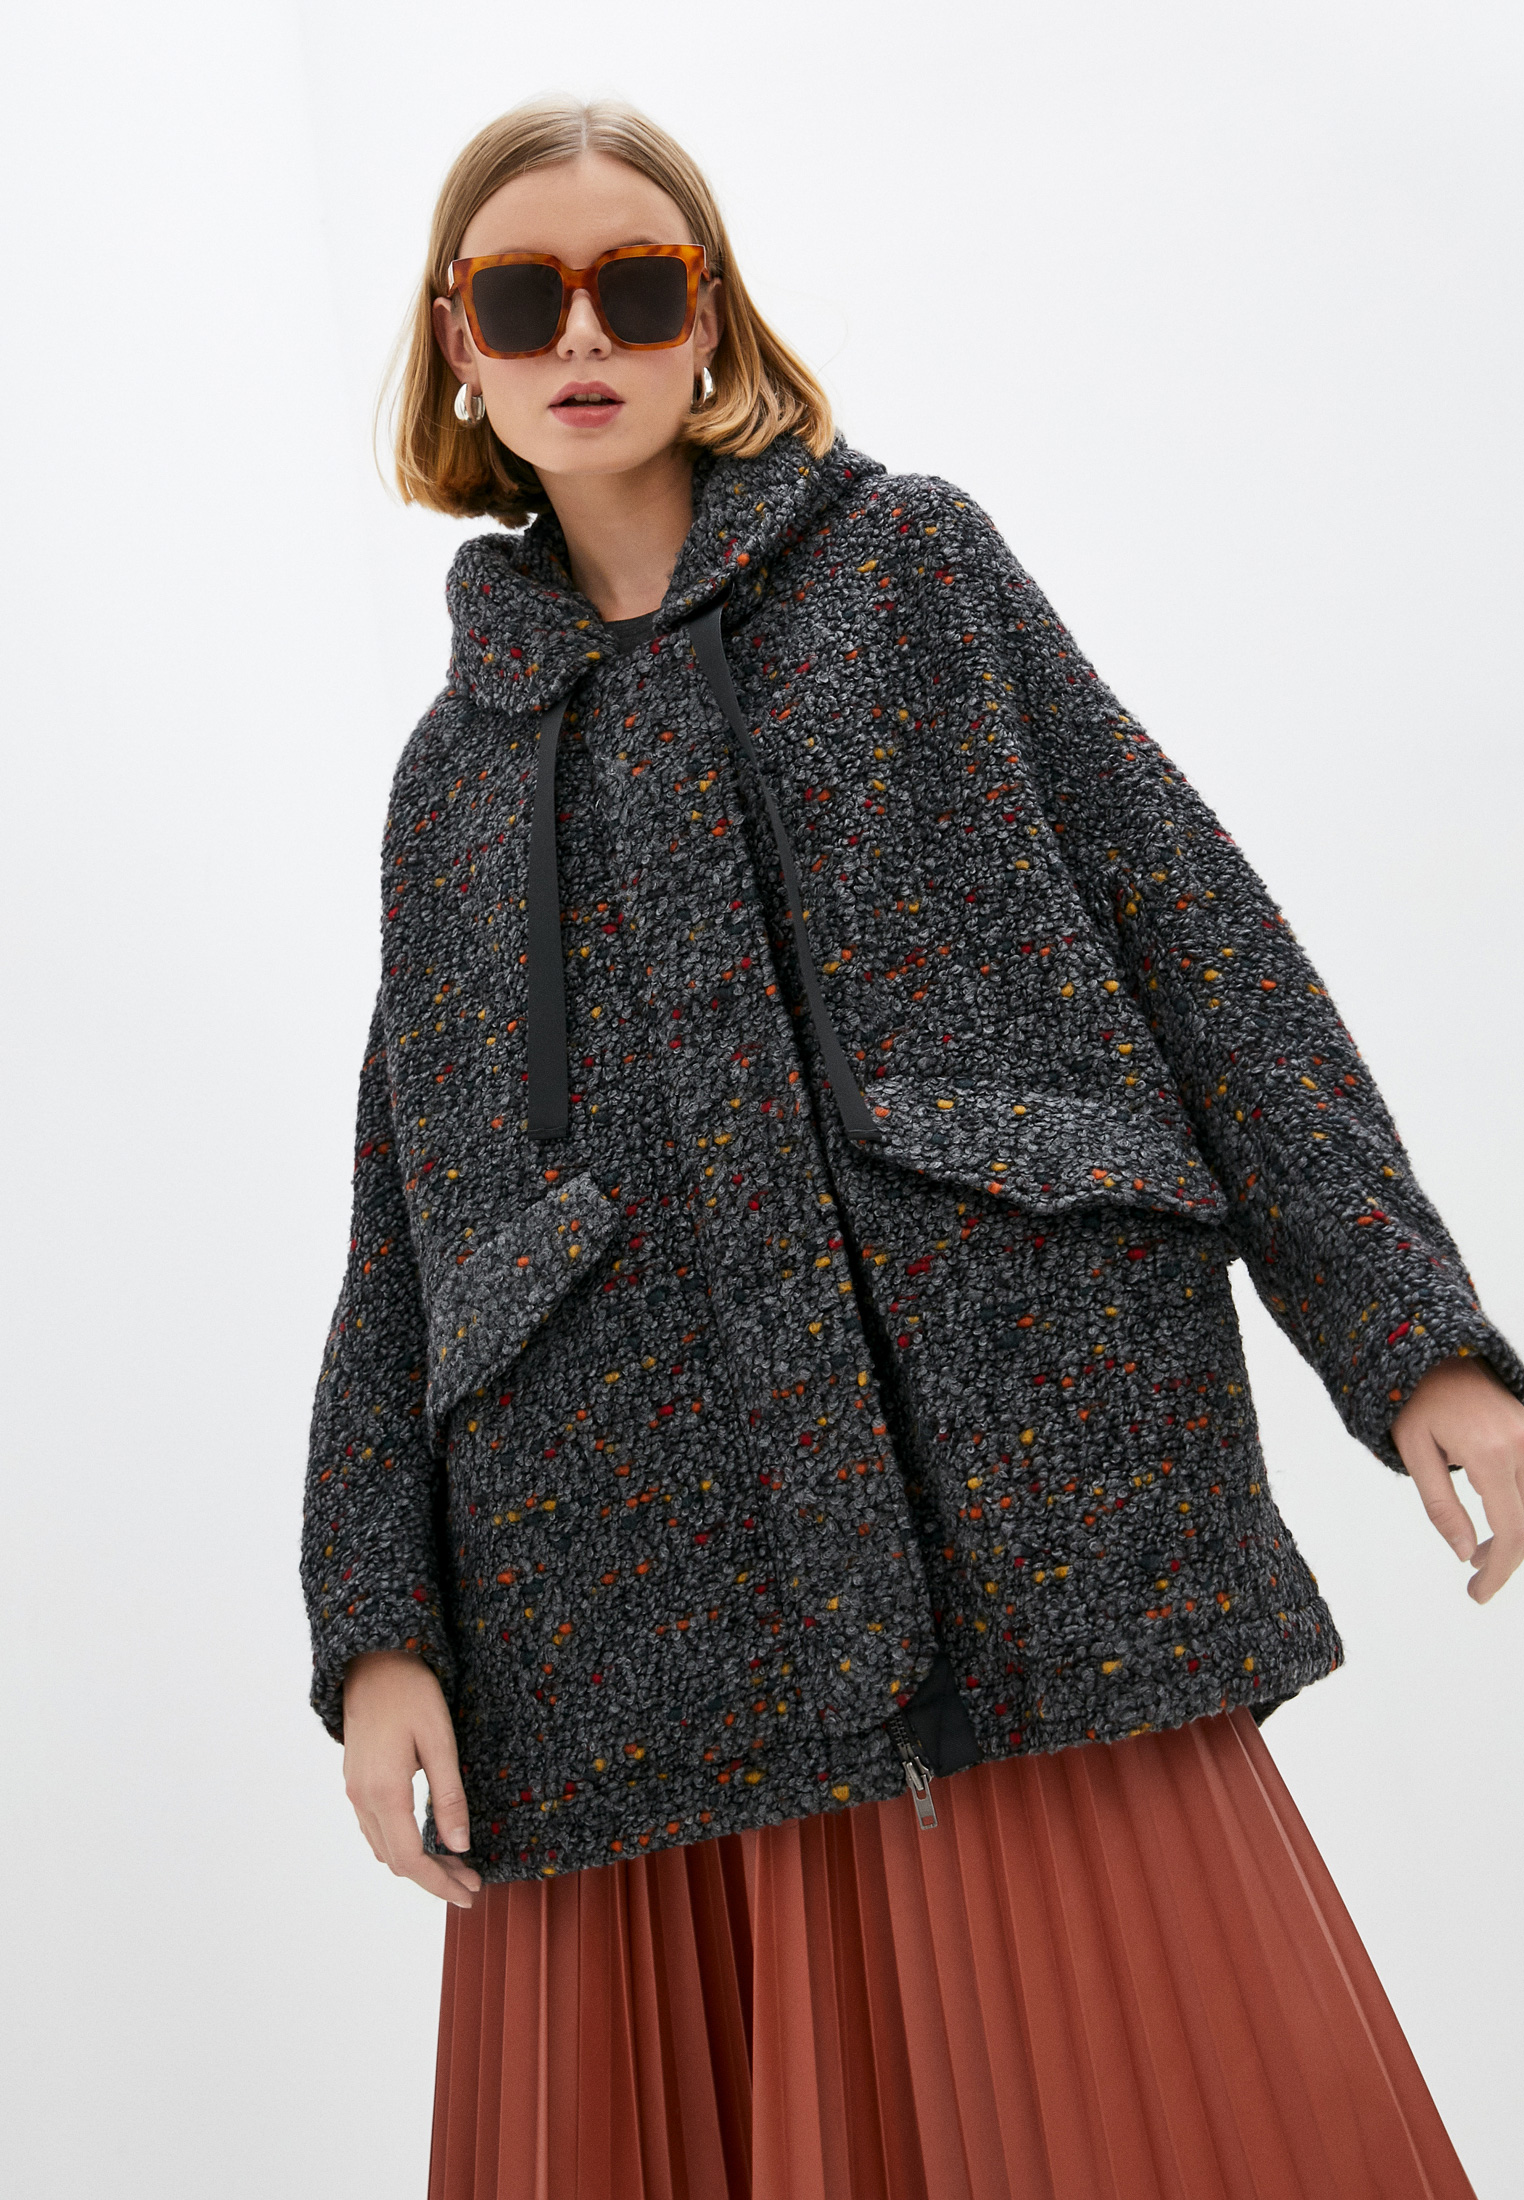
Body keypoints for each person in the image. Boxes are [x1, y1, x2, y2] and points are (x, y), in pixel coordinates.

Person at [301, 93, 1524, 2200]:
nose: (581, 334)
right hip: (619, 1588)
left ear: (707, 319)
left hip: (1020, 1486)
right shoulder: (451, 776)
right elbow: (405, 1221)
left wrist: (1411, 1333)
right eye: (522, 296)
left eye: (636, 287)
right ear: (457, 343)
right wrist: (375, 1623)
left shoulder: (911, 574)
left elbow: (1191, 933)